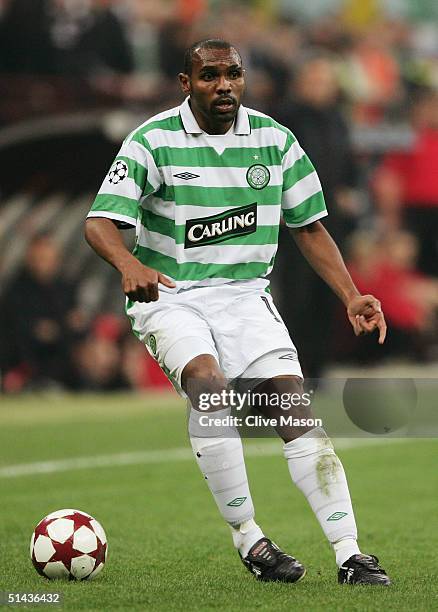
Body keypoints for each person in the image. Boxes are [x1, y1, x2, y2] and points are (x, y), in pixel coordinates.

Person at [85, 39, 390, 586]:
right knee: (209, 386)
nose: (223, 85)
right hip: (171, 296)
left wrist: (351, 294)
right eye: (209, 76)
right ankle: (249, 537)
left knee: (294, 408)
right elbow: (99, 222)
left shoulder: (275, 141)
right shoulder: (151, 140)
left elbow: (311, 227)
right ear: (186, 84)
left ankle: (349, 553)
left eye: (233, 74)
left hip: (246, 295)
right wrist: (128, 263)